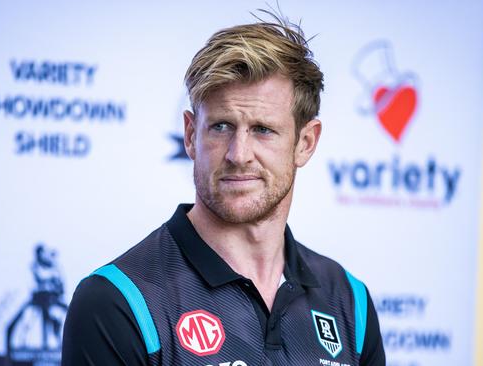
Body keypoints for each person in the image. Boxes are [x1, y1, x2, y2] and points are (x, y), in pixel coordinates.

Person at [62, 11, 385, 366]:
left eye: (263, 129)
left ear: (306, 142)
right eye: (220, 127)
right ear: (190, 135)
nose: (238, 154)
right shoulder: (118, 301)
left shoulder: (349, 300)